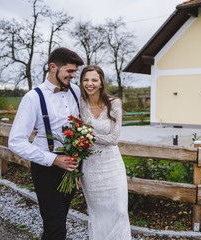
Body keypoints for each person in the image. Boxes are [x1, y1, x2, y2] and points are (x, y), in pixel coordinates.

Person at [8, 47, 84, 240]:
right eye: (69, 71)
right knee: (56, 227)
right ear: (52, 67)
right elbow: (15, 142)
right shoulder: (33, 98)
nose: (74, 76)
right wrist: (53, 159)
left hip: (71, 168)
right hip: (46, 169)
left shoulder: (75, 91)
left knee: (57, 222)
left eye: (75, 71)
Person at [79, 65, 131, 239]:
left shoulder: (114, 103)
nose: (90, 83)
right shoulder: (80, 104)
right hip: (90, 167)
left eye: (94, 79)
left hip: (111, 164)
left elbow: (114, 138)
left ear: (101, 82)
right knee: (97, 213)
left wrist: (87, 135)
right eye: (86, 79)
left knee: (120, 210)